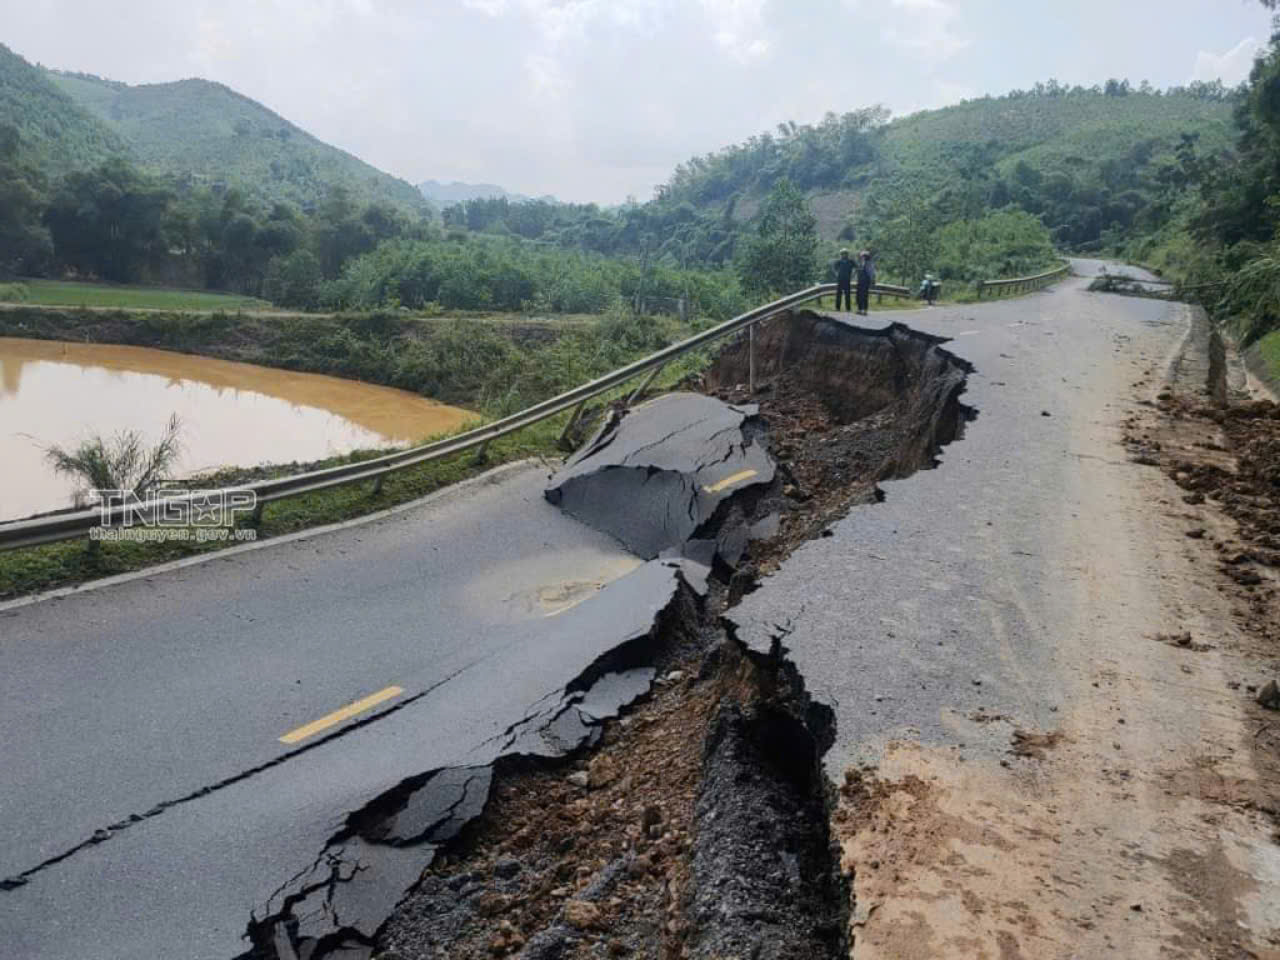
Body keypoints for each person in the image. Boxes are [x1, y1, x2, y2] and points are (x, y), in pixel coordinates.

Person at [855, 250, 876, 315]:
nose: (862, 257)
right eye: (862, 256)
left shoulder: (869, 264)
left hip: (865, 282)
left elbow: (872, 273)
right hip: (860, 282)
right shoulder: (861, 263)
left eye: (864, 256)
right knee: (858, 296)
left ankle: (864, 310)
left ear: (866, 257)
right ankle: (859, 309)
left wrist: (872, 280)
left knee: (864, 296)